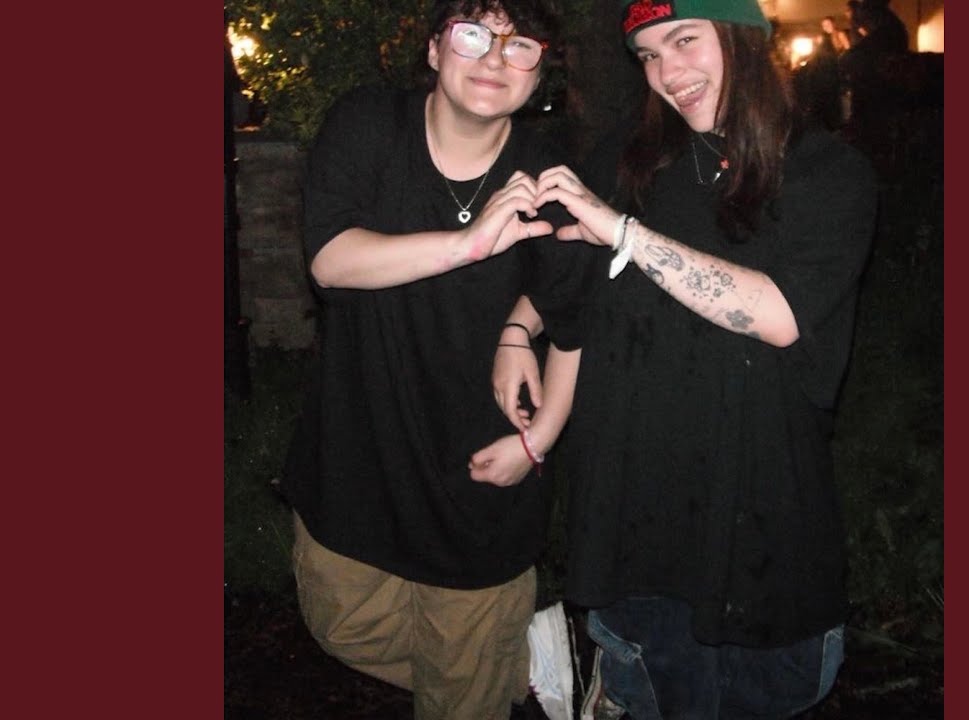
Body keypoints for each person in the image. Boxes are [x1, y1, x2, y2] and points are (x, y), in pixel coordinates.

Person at [493, 0, 878, 717]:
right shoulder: (629, 157)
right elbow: (569, 262)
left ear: (743, 39)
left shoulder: (827, 170)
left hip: (765, 536)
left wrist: (625, 235)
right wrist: (519, 327)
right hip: (635, 532)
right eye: (648, 55)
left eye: (685, 41)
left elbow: (781, 315)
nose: (668, 72)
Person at [280, 1, 588, 717]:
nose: (494, 58)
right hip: (356, 458)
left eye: (519, 47)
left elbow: (576, 317)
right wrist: (467, 245)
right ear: (433, 50)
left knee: (459, 695)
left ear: (538, 73)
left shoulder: (549, 175)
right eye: (474, 35)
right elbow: (330, 262)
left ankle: (488, 673)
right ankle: (523, 666)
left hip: (478, 474)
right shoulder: (368, 124)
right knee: (342, 626)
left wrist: (538, 441)